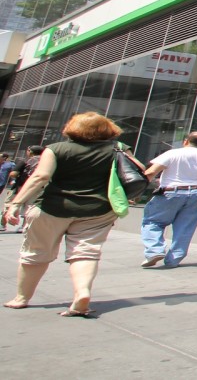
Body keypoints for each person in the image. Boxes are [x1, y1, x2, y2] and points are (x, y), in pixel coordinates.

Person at [2, 113, 126, 316]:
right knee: (86, 252)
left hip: (52, 207)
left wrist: (16, 203)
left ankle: (21, 298)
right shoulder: (118, 148)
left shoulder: (56, 148)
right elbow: (137, 173)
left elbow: (41, 176)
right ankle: (82, 292)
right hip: (98, 210)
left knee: (36, 253)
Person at [139, 131, 197, 268]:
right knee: (185, 227)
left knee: (153, 221)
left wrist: (138, 189)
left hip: (171, 191)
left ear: (186, 141)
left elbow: (151, 172)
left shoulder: (173, 153)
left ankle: (154, 250)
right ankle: (174, 259)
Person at [6, 146, 44, 231]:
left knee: (10, 204)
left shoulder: (26, 161)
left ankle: (4, 223)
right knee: (29, 207)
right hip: (37, 187)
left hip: (21, 186)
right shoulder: (45, 161)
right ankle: (24, 226)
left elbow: (13, 174)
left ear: (30, 151)